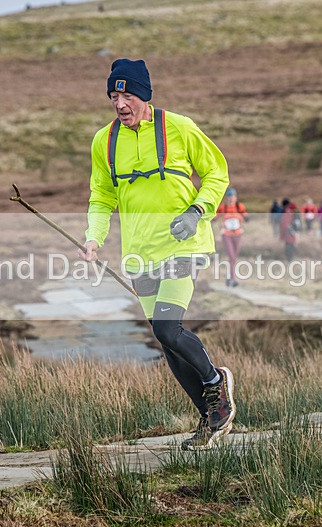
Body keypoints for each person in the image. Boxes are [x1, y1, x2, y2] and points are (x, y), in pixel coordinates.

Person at [79, 58, 235, 451]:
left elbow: (217, 173)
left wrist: (197, 212)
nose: (120, 103)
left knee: (168, 327)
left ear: (144, 96)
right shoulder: (104, 141)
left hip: (183, 244)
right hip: (139, 253)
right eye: (114, 95)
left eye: (127, 94)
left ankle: (217, 383)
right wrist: (94, 238)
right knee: (165, 342)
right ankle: (211, 419)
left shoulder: (179, 127)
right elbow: (102, 195)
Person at [215, 187, 248, 287]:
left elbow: (245, 215)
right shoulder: (223, 208)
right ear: (226, 198)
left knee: (234, 257)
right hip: (227, 235)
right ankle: (232, 279)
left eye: (233, 196)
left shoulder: (239, 206)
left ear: (236, 197)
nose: (231, 198)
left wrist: (246, 217)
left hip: (238, 234)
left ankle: (229, 277)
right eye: (229, 196)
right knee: (231, 256)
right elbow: (215, 217)